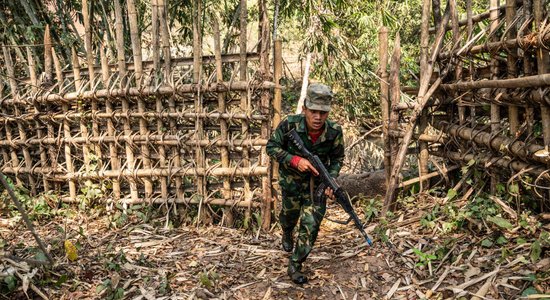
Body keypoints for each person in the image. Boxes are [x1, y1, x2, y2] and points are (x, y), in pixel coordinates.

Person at [266, 83, 345, 284]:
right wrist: (294, 160)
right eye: (313, 112)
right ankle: (286, 231)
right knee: (288, 217)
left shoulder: (335, 132)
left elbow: (337, 158)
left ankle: (295, 264)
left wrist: (331, 179)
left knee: (311, 225)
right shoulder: (289, 125)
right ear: (304, 109)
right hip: (291, 184)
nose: (318, 117)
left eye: (323, 112)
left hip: (317, 187)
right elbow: (271, 147)